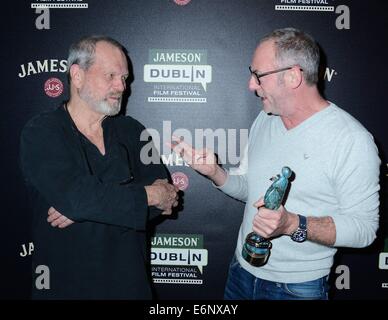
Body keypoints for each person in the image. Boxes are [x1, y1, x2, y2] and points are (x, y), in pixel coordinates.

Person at [170, 28, 380, 300]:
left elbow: (364, 230)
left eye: (258, 75)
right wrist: (216, 173)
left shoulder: (352, 140)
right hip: (240, 272)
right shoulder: (266, 119)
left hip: (296, 289)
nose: (250, 84)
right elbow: (250, 189)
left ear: (293, 76)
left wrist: (293, 224)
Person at [19, 35, 179, 299]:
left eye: (124, 78)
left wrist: (88, 208)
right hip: (66, 288)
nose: (121, 86)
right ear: (77, 76)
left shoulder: (133, 130)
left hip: (131, 287)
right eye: (111, 75)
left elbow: (167, 198)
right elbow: (78, 197)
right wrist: (146, 195)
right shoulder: (42, 131)